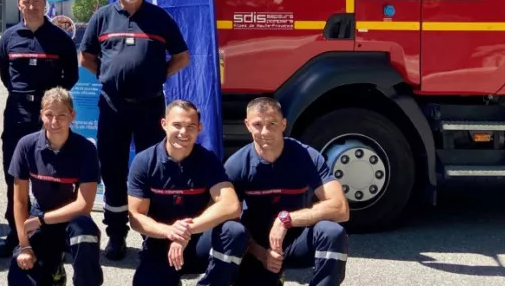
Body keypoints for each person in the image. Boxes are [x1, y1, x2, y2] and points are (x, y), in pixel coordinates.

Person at [78, 0, 191, 259]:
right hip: (112, 107)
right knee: (113, 172)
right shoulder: (102, 18)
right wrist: (108, 76)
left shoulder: (159, 18)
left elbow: (182, 57)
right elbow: (86, 56)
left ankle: (152, 237)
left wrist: (158, 75)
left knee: (152, 172)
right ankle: (116, 235)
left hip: (150, 107)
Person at [226, 97, 350, 286]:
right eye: (257, 125)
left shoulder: (306, 156)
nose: (265, 131)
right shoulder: (237, 164)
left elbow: (341, 208)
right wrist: (260, 253)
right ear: (247, 125)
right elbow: (228, 222)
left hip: (297, 241)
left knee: (332, 232)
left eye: (272, 123)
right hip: (258, 249)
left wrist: (287, 219)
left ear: (283, 124)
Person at [0, 0, 79, 258]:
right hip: (17, 112)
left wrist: (50, 103)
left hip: (49, 115)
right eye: (25, 2)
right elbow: (6, 77)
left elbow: (71, 76)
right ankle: (15, 230)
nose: (31, 6)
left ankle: (57, 231)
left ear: (45, 3)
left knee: (55, 172)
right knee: (14, 173)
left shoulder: (60, 38)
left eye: (35, 1)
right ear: (19, 5)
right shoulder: (8, 38)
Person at [127, 100, 247, 286]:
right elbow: (136, 217)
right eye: (177, 125)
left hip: (200, 240)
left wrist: (186, 231)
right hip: (161, 241)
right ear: (164, 124)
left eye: (191, 126)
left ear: (199, 128)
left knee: (234, 231)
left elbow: (231, 205)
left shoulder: (207, 159)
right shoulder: (144, 162)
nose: (184, 132)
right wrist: (170, 232)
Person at [7, 88, 102, 286]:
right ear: (41, 114)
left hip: (72, 219)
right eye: (49, 115)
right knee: (20, 276)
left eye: (61, 115)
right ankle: (53, 270)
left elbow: (84, 205)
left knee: (85, 234)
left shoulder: (86, 149)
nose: (54, 122)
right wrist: (24, 246)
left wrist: (41, 220)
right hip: (40, 213)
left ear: (72, 116)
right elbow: (19, 200)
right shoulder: (26, 145)